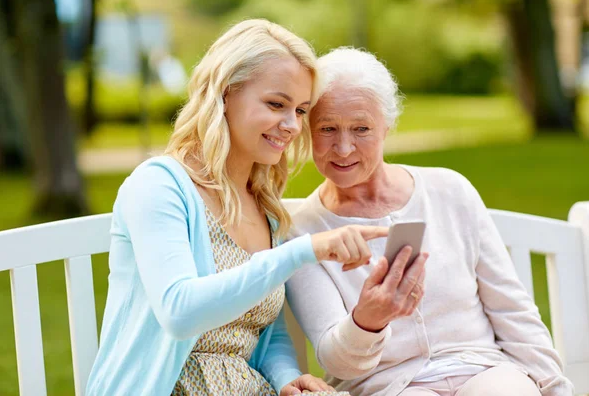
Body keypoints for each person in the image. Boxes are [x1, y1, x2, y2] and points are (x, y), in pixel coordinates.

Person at [85, 21, 384, 396]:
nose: (292, 125)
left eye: (301, 110)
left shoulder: (264, 206)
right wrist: (304, 251)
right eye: (276, 104)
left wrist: (288, 379)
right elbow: (180, 312)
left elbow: (265, 328)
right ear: (225, 94)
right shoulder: (160, 186)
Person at [286, 47, 574, 396]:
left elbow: (513, 311)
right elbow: (337, 364)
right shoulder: (302, 231)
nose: (344, 148)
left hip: (483, 369)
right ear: (307, 131)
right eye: (327, 128)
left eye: (361, 128)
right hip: (389, 386)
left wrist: (555, 388)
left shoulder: (449, 190)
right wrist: (367, 321)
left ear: (387, 125)